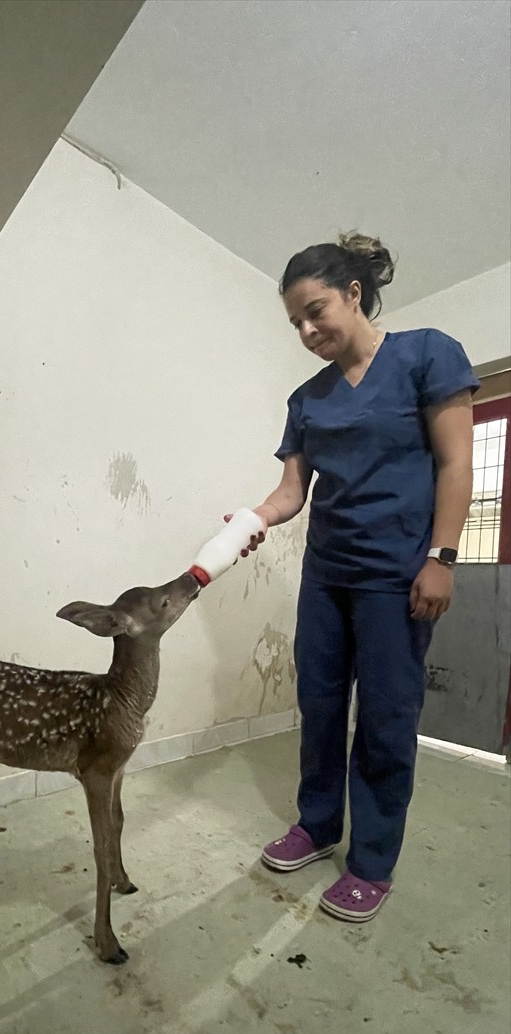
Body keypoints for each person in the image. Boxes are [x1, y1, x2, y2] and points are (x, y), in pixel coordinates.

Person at [241, 232, 478, 923]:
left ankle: (371, 862)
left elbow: (455, 465)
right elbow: (292, 492)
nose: (306, 332)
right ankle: (317, 825)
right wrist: (252, 519)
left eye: (314, 311)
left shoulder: (427, 354)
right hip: (325, 576)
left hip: (396, 577)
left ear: (353, 293)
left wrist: (441, 558)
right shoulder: (305, 399)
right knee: (318, 706)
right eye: (295, 323)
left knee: (384, 718)